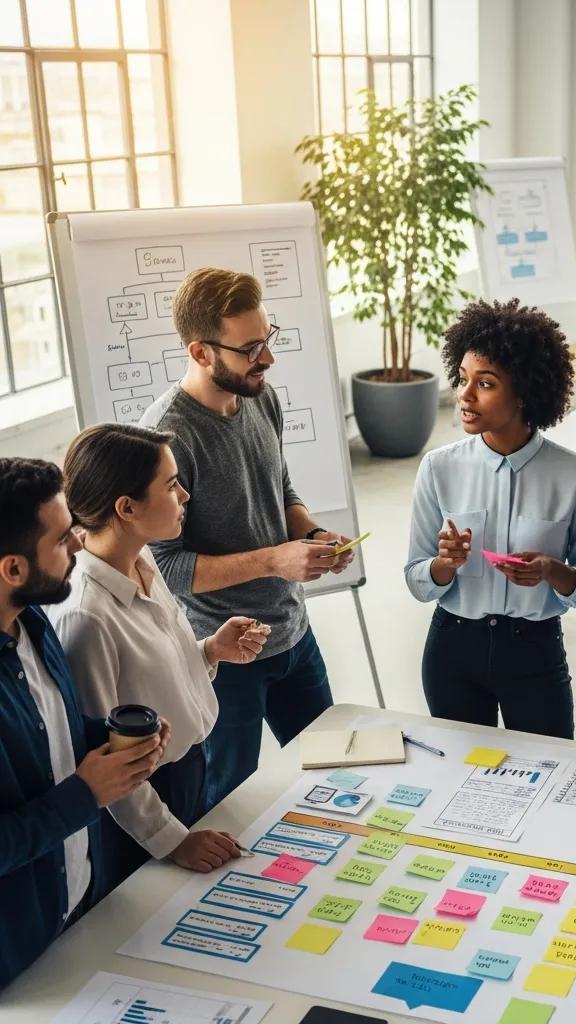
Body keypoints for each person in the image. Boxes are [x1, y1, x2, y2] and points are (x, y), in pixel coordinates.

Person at [139, 267, 353, 806]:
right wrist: (275, 561)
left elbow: (278, 486)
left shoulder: (261, 397)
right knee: (230, 806)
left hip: (293, 634)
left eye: (268, 339)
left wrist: (312, 532)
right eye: (251, 348)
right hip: (226, 655)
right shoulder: (166, 438)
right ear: (201, 351)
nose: (267, 359)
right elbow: (167, 569)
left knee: (334, 775)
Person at [50, 424, 273, 892]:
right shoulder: (86, 618)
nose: (186, 494)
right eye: (171, 486)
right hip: (143, 807)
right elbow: (108, 761)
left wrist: (210, 651)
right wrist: (172, 840)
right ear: (126, 508)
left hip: (191, 769)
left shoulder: (142, 558)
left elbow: (149, 680)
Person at [404, 298, 576, 739]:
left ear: (523, 392)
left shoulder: (574, 474)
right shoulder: (439, 468)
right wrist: (444, 565)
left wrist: (553, 571)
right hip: (453, 650)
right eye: (462, 379)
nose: (464, 394)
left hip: (534, 651)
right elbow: (417, 579)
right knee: (458, 780)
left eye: (485, 383)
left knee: (550, 773)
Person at [0, 457, 164, 988]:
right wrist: (86, 793)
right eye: (61, 538)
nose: (77, 544)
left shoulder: (32, 622)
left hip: (76, 913)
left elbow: (50, 732)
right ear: (13, 569)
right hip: (17, 966)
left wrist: (115, 743)